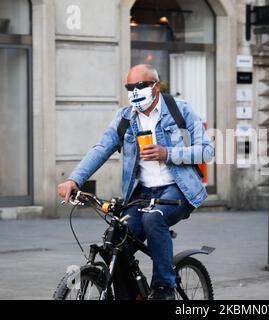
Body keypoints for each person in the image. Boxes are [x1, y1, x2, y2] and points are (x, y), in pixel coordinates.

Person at [57, 64, 214, 300]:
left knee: (154, 218)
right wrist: (74, 179)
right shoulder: (125, 118)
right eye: (130, 87)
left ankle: (164, 288)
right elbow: (100, 149)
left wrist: (168, 153)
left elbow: (206, 151)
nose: (134, 92)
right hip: (142, 193)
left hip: (178, 189)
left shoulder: (180, 110)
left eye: (140, 85)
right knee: (117, 243)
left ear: (156, 86)